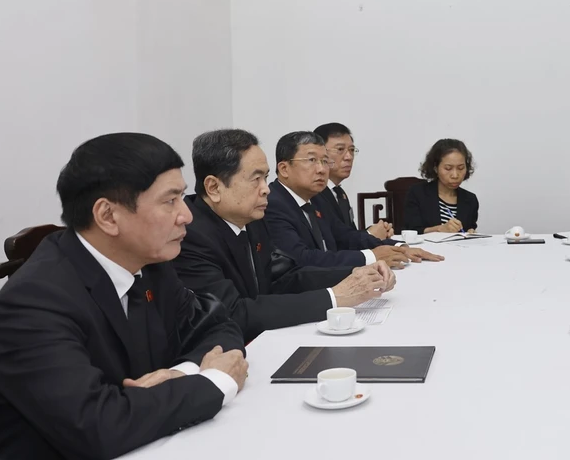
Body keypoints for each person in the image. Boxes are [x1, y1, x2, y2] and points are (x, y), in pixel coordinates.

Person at [0, 133, 248, 459]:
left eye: (183, 198)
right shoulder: (32, 303)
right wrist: (215, 379)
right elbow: (97, 426)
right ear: (108, 216)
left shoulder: (150, 264)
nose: (186, 215)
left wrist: (183, 373)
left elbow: (218, 324)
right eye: (170, 200)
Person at [174, 129, 398, 342]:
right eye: (256, 179)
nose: (266, 189)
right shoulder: (190, 235)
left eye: (266, 178)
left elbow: (284, 276)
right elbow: (233, 313)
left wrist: (358, 274)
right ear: (214, 187)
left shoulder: (250, 219)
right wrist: (334, 297)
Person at [265, 131, 413, 270]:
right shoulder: (272, 204)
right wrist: (372, 256)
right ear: (284, 169)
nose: (322, 170)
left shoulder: (316, 198)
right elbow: (302, 259)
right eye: (312, 160)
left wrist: (398, 247)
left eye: (324, 161)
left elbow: (345, 237)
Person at [312, 122, 393, 240]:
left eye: (351, 150)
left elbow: (348, 234)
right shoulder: (314, 193)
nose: (348, 157)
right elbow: (334, 242)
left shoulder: (340, 193)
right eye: (340, 149)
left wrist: (375, 232)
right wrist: (370, 235)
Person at [404, 139, 479, 234]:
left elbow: (470, 227)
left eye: (461, 168)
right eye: (448, 168)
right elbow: (411, 231)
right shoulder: (417, 193)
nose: (455, 175)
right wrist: (439, 229)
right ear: (435, 168)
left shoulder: (470, 199)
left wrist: (471, 232)